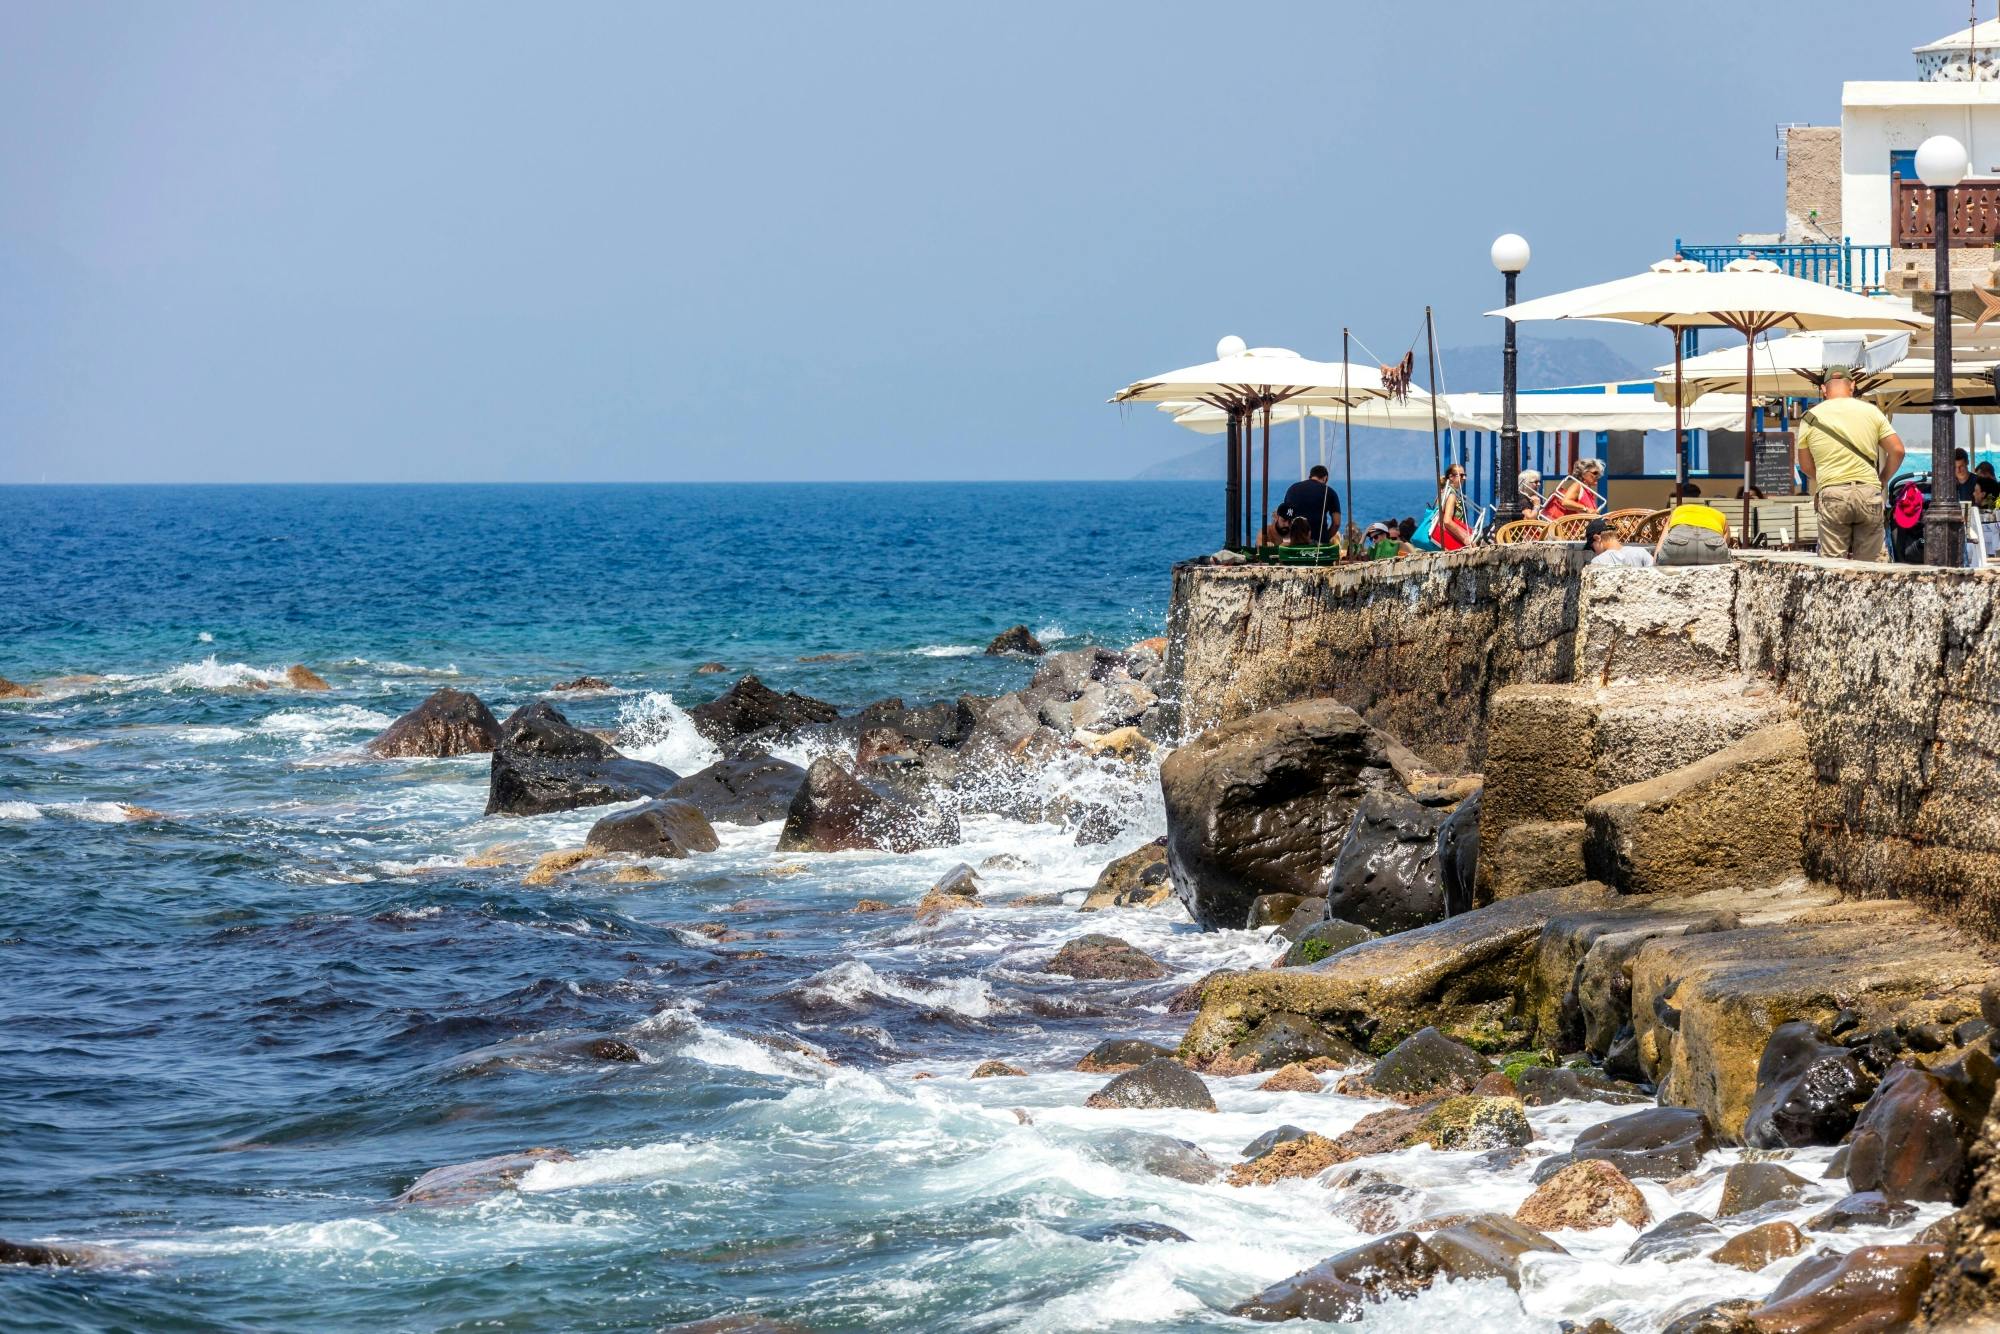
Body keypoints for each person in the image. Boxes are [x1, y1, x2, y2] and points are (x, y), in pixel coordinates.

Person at [1795, 364, 1904, 562]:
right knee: (1871, 567)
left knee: (1833, 566)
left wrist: (1826, 478)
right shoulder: (1872, 412)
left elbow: (1804, 465)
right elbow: (1897, 450)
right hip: (1868, 491)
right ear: (1852, 385)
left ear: (1824, 389)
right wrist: (1882, 479)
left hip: (1833, 492)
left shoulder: (1810, 418)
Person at [1654, 500, 1731, 566]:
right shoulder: (1720, 515)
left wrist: (1655, 563)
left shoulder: (1678, 511)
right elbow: (1725, 542)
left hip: (1678, 541)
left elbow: (1662, 540)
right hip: (1712, 545)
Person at [1280, 465, 1341, 544]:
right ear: (1325, 478)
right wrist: (1326, 537)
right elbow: (1336, 523)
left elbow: (1285, 516)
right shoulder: (1330, 492)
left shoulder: (1292, 489)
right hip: (1319, 542)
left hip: (1295, 541)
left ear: (1310, 476)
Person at [1540, 458, 1605, 520]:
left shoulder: (1589, 492)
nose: (1598, 476)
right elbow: (1566, 502)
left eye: (1599, 473)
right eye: (1595, 473)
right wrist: (1586, 509)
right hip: (1573, 529)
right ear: (1583, 473)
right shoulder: (1578, 485)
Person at [1585, 517, 1654, 567]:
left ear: (1597, 538)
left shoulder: (1598, 562)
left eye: (1592, 548)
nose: (1595, 553)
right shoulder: (1641, 552)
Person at [1435, 464, 1474, 549]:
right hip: (1453, 540)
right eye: (1461, 475)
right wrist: (1465, 538)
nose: (1464, 478)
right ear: (1451, 477)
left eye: (1465, 475)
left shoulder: (1443, 493)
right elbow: (1447, 521)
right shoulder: (1451, 495)